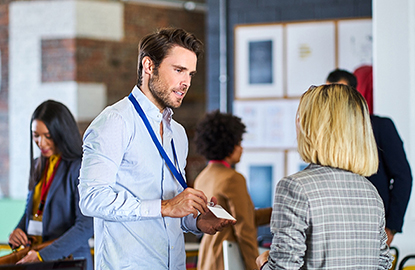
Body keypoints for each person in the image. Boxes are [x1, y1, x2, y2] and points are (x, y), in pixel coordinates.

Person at [77, 28, 235, 269]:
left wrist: (196, 220)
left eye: (190, 74)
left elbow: (169, 214)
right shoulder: (115, 122)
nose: (186, 82)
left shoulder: (178, 133)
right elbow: (91, 199)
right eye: (179, 70)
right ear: (149, 66)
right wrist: (166, 207)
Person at [256, 84, 393, 270]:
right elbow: (383, 264)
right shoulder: (370, 193)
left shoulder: (294, 187)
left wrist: (264, 263)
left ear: (310, 128)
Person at [326, 68, 413, 246]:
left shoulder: (380, 127)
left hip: (373, 224)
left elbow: (403, 177)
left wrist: (391, 226)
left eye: (340, 93)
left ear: (354, 94)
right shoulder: (326, 132)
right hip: (333, 226)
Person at [8, 100, 93, 269]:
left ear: (62, 133)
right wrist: (18, 232)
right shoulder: (37, 164)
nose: (42, 143)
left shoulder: (79, 167)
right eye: (36, 136)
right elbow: (31, 212)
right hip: (35, 257)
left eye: (48, 136)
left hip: (68, 261)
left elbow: (86, 227)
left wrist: (42, 256)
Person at [193, 110, 272, 270]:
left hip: (208, 257)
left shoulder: (203, 177)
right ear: (228, 144)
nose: (241, 148)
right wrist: (256, 267)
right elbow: (245, 230)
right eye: (239, 142)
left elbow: (234, 217)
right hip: (227, 260)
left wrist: (276, 213)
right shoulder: (233, 179)